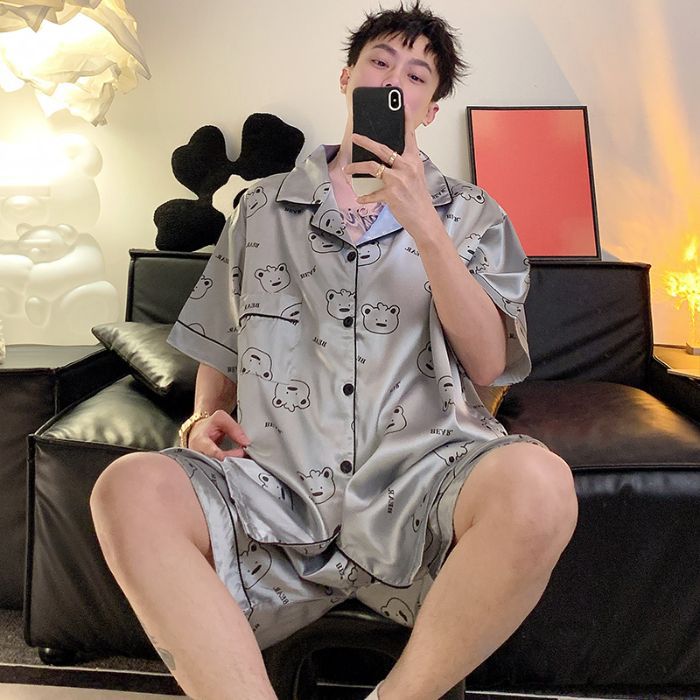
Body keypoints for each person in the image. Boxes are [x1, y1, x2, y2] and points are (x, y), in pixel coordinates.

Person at [90, 3, 578, 699]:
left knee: (541, 484)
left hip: (424, 480)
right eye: (380, 62)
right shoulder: (259, 208)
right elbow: (219, 338)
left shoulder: (475, 215)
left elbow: (490, 364)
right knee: (126, 488)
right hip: (276, 483)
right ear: (347, 77)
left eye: (417, 75)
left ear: (431, 109)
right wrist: (200, 419)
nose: (394, 80)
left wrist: (425, 227)